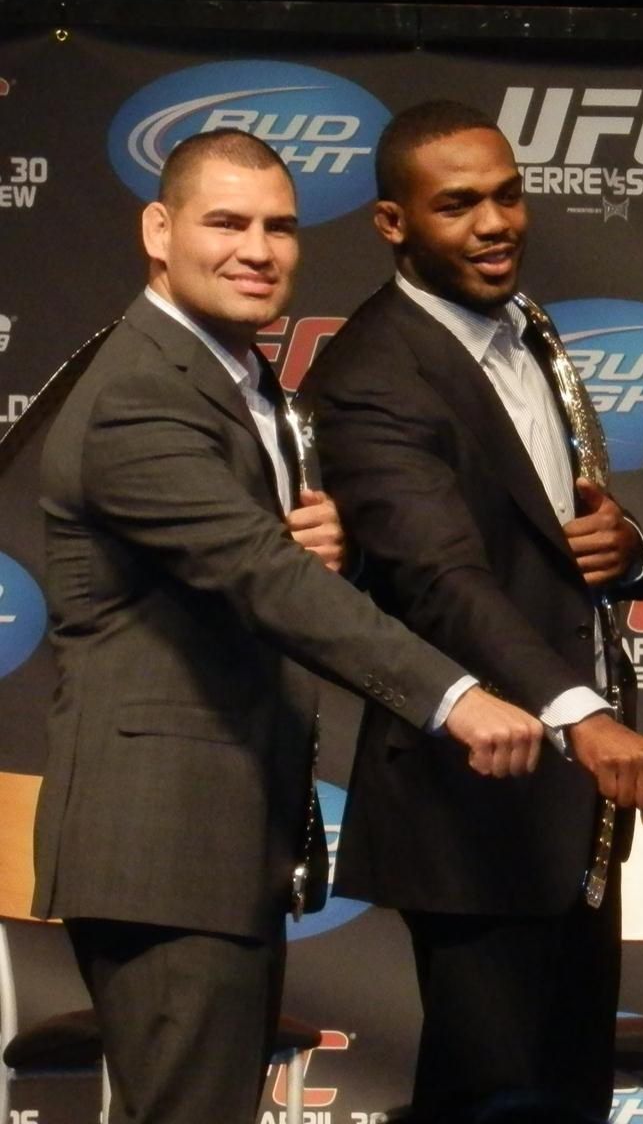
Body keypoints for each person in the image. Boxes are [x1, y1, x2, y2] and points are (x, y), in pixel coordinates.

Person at [32, 129, 548, 1124]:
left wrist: (323, 541)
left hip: (226, 838)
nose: (258, 249)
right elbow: (264, 578)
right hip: (164, 845)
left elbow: (257, 561)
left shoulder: (240, 378)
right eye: (226, 222)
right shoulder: (144, 390)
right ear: (157, 228)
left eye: (279, 226)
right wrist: (457, 696)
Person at [298, 100, 643, 1124]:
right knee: (492, 1095)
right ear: (391, 223)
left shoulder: (523, 329)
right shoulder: (373, 374)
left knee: (564, 1095)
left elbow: (557, 529)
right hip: (471, 798)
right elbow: (441, 583)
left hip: (564, 800)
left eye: (506, 195)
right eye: (457, 206)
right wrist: (582, 717)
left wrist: (628, 550)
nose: (495, 223)